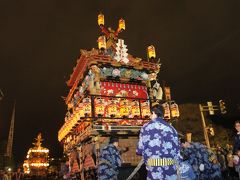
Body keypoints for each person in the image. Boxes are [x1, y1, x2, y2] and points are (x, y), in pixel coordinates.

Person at [136, 104, 181, 180]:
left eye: (151, 114)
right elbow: (177, 149)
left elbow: (140, 149)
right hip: (170, 167)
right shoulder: (171, 128)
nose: (150, 116)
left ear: (153, 113)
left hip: (154, 168)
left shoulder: (146, 127)